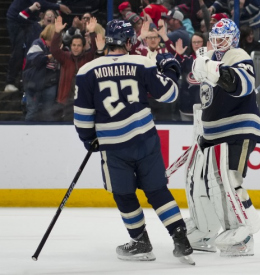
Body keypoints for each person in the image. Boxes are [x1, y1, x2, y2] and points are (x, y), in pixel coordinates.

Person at [73, 19, 194, 264]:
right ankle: (181, 238)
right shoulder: (142, 63)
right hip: (146, 140)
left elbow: (82, 116)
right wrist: (171, 67)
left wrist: (89, 140)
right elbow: (170, 94)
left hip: (113, 145)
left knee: (124, 193)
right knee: (158, 190)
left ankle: (140, 242)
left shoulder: (87, 70)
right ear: (128, 42)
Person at [186, 18, 260, 257]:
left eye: (223, 39)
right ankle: (204, 229)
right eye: (215, 39)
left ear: (234, 39)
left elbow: (240, 84)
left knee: (229, 180)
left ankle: (244, 232)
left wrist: (212, 69)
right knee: (200, 182)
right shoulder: (210, 60)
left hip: (237, 130)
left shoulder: (238, 55)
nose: (218, 43)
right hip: (211, 133)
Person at [5, 0, 70, 92]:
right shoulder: (35, 26)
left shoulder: (58, 31)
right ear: (42, 17)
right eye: (48, 15)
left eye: (52, 16)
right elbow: (21, 17)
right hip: (32, 60)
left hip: (50, 66)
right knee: (19, 51)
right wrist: (31, 8)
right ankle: (14, 82)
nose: (49, 17)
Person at [51, 16, 102, 121]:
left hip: (84, 100)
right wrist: (57, 32)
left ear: (83, 47)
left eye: (79, 45)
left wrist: (92, 33)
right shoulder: (65, 57)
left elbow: (95, 48)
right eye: (73, 45)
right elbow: (54, 49)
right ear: (70, 46)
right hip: (66, 100)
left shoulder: (88, 57)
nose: (76, 47)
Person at [23, 24, 59, 121]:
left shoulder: (59, 47)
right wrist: (50, 56)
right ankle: (26, 133)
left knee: (48, 112)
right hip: (34, 84)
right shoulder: (37, 43)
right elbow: (35, 60)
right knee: (32, 110)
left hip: (50, 83)